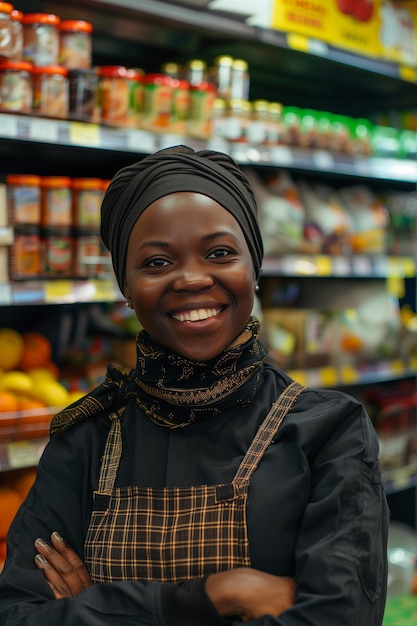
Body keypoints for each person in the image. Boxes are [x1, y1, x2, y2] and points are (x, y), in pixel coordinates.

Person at [0, 145, 389, 625]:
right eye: (157, 262)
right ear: (126, 286)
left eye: (220, 253)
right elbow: (18, 616)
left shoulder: (328, 434)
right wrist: (217, 595)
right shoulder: (85, 440)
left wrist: (96, 608)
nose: (190, 278)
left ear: (255, 267)